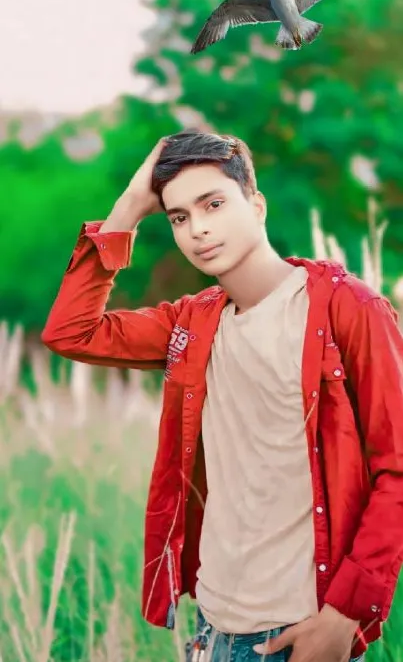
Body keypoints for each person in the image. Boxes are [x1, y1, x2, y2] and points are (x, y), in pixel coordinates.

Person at [41, 129, 403, 662]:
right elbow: (71, 332)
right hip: (209, 627)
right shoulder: (193, 322)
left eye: (213, 204)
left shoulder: (347, 310)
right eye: (179, 217)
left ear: (256, 205)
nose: (199, 229)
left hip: (295, 633)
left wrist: (346, 615)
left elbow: (397, 469)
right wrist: (127, 210)